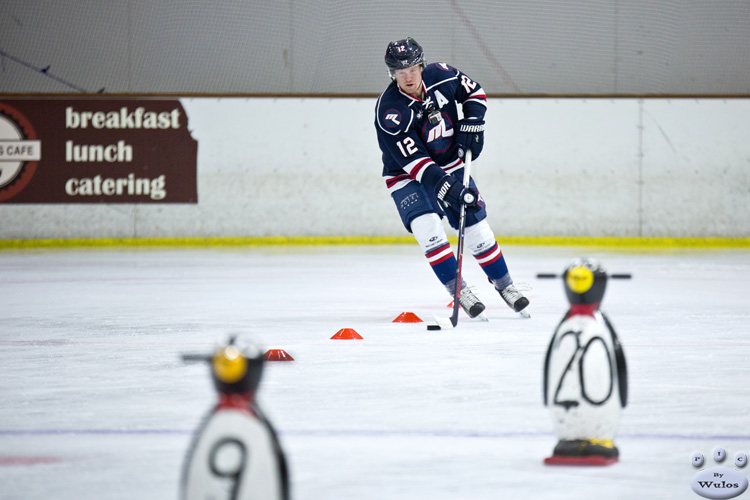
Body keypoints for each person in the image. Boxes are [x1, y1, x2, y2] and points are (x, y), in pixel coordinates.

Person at [374, 37, 529, 318]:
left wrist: (473, 122)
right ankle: (460, 291)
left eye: (411, 69)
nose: (407, 77)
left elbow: (474, 93)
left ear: (421, 66)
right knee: (429, 230)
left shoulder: (442, 74)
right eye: (400, 72)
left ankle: (506, 287)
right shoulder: (390, 112)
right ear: (391, 74)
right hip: (407, 176)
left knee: (477, 230)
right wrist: (447, 188)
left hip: (451, 162)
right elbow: (416, 164)